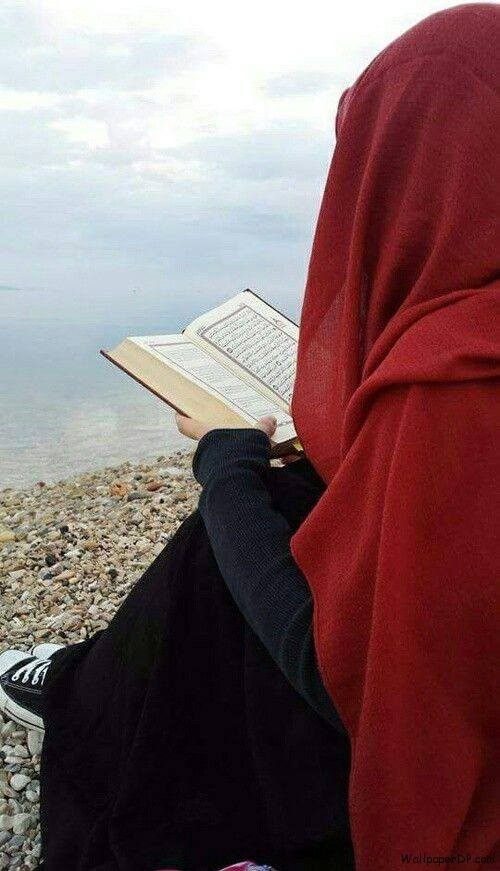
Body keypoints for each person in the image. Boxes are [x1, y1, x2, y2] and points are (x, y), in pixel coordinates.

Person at [0, 3, 498, 869]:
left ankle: (87, 698)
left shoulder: (458, 375)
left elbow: (349, 680)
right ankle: (86, 676)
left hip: (444, 793)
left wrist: (224, 463)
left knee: (228, 531)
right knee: (297, 498)